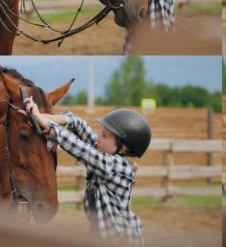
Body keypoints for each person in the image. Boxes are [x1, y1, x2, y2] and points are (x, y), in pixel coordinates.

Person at [23, 98, 151, 245]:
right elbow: (79, 124)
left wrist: (49, 126)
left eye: (104, 136)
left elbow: (83, 150)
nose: (98, 138)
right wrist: (43, 117)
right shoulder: (105, 153)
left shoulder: (117, 167)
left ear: (123, 149)